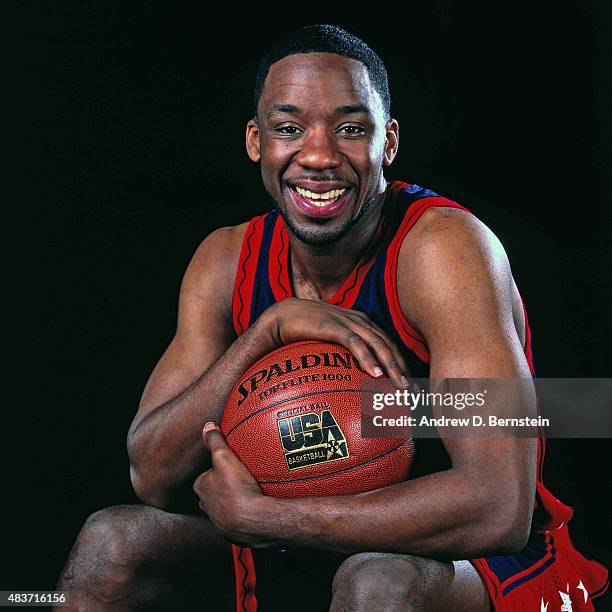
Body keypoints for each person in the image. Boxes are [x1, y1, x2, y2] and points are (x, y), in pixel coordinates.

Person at [56, 25, 608, 611]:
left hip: (471, 563)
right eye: (289, 129)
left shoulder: (444, 250)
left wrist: (272, 516)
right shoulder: (226, 259)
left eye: (351, 129)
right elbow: (152, 472)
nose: (318, 156)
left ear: (388, 142)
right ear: (255, 141)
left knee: (376, 583)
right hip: (307, 536)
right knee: (111, 544)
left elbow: (499, 506)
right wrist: (265, 333)